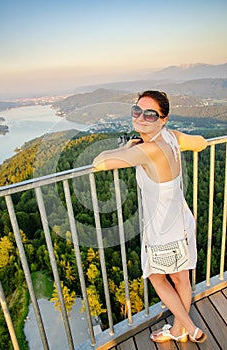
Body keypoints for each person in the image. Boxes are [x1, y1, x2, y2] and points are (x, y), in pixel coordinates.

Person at [92, 90, 208, 343]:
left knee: (156, 277)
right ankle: (180, 330)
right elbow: (200, 142)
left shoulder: (148, 150)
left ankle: (189, 327)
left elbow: (99, 162)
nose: (141, 117)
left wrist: (125, 147)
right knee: (181, 278)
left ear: (163, 118)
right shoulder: (172, 137)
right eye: (137, 110)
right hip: (183, 222)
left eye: (150, 113)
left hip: (163, 230)